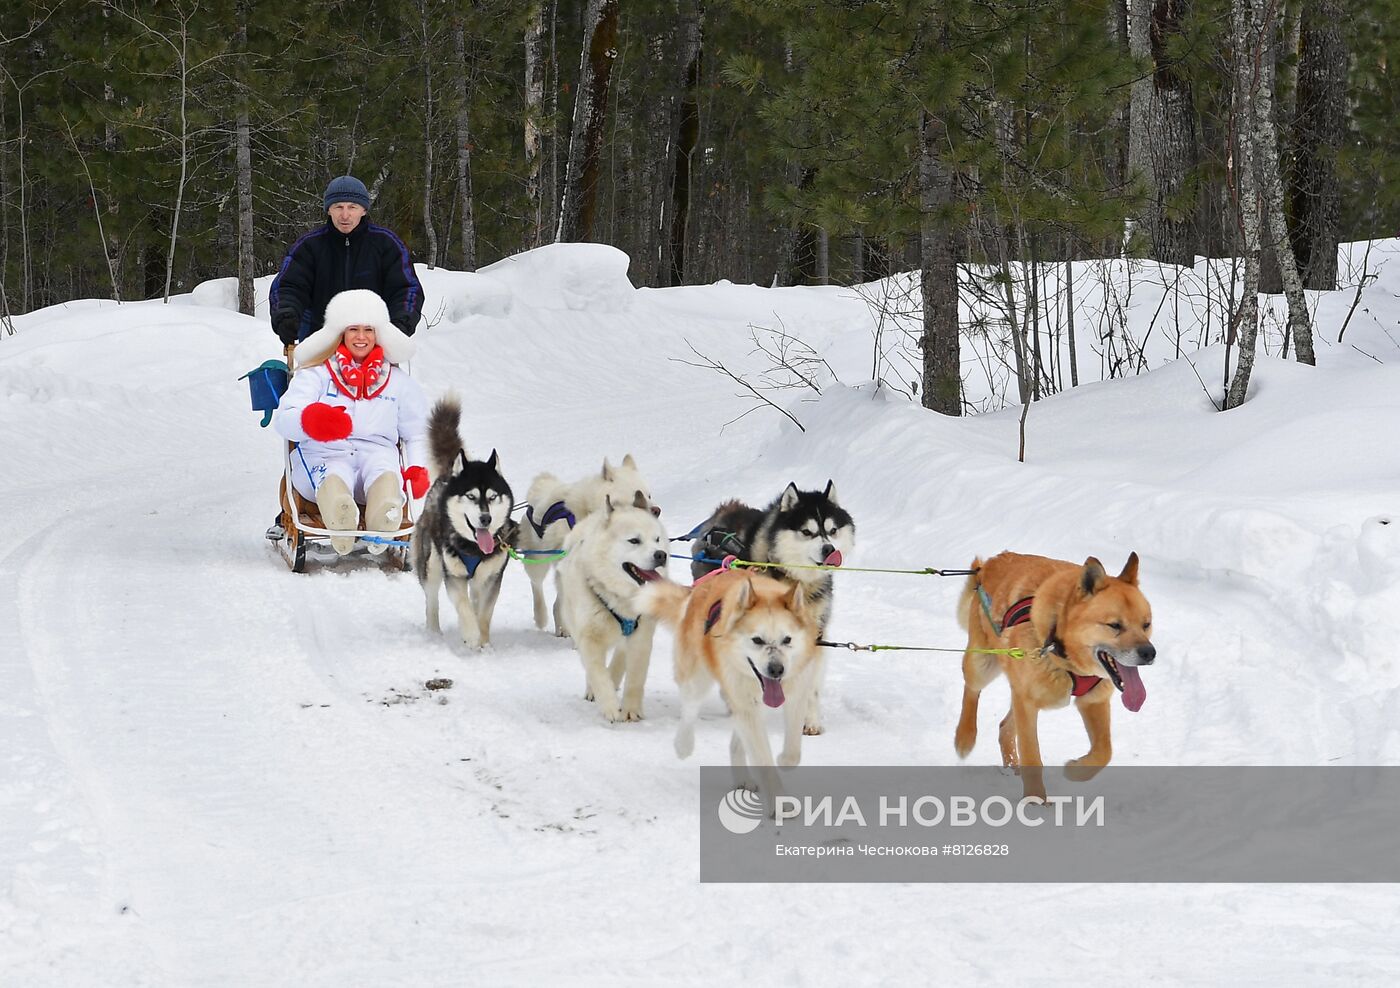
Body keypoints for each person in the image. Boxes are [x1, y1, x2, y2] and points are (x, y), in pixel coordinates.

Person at [274, 289, 431, 556]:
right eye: (353, 329)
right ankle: (340, 516)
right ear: (341, 333)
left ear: (378, 333)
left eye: (368, 329)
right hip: (324, 453)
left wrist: (417, 468)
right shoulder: (316, 373)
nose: (361, 337)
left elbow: (416, 432)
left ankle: (385, 514)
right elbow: (284, 421)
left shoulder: (398, 381)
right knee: (334, 475)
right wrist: (311, 421)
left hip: (377, 453)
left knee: (385, 473)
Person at [269, 175, 424, 347]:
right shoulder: (309, 246)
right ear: (328, 210)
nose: (345, 215)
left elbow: (407, 288)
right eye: (338, 207)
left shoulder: (387, 244)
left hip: (373, 342)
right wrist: (286, 316)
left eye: (352, 207)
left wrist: (400, 325)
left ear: (364, 210)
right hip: (320, 339)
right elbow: (289, 286)